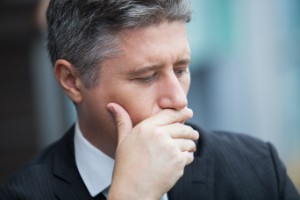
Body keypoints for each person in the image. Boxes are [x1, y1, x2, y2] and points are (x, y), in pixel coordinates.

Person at [0, 0, 299, 199]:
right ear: (71, 81)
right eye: (146, 77)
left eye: (181, 69)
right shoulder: (22, 195)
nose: (179, 100)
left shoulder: (257, 169)